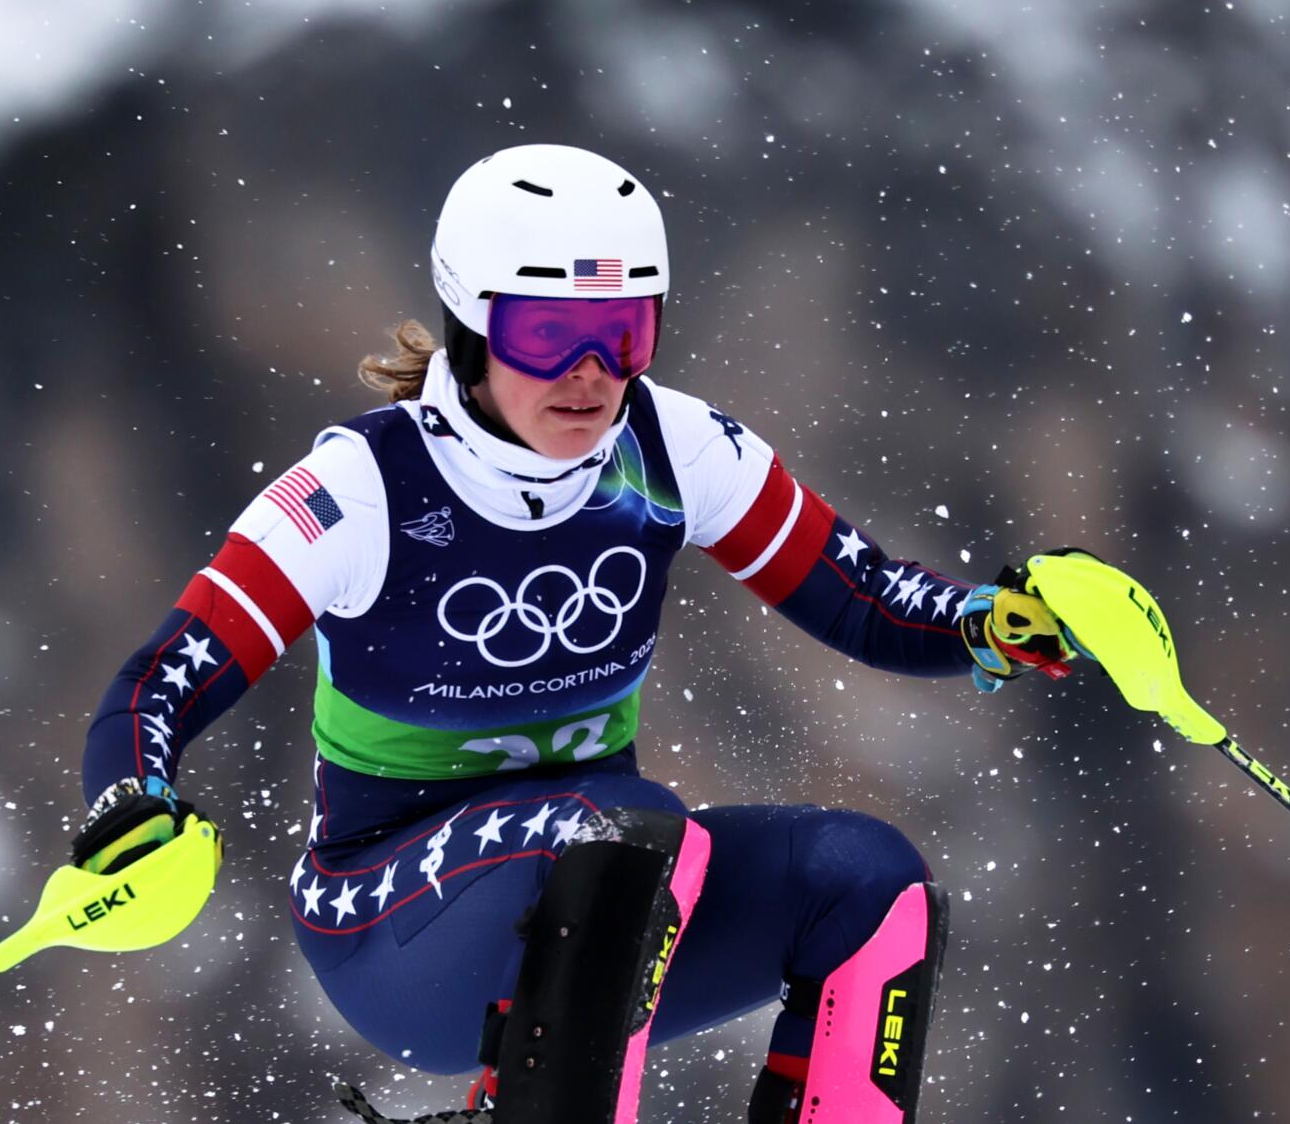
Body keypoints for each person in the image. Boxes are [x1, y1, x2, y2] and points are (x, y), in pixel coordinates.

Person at [68, 144, 1085, 1124]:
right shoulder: (362, 489)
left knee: (868, 886)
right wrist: (131, 801)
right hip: (389, 926)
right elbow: (158, 680)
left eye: (626, 334)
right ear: (470, 324)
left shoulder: (672, 448)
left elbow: (861, 601)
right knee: (625, 821)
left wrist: (991, 622)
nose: (593, 376)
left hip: (612, 903)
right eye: (550, 335)